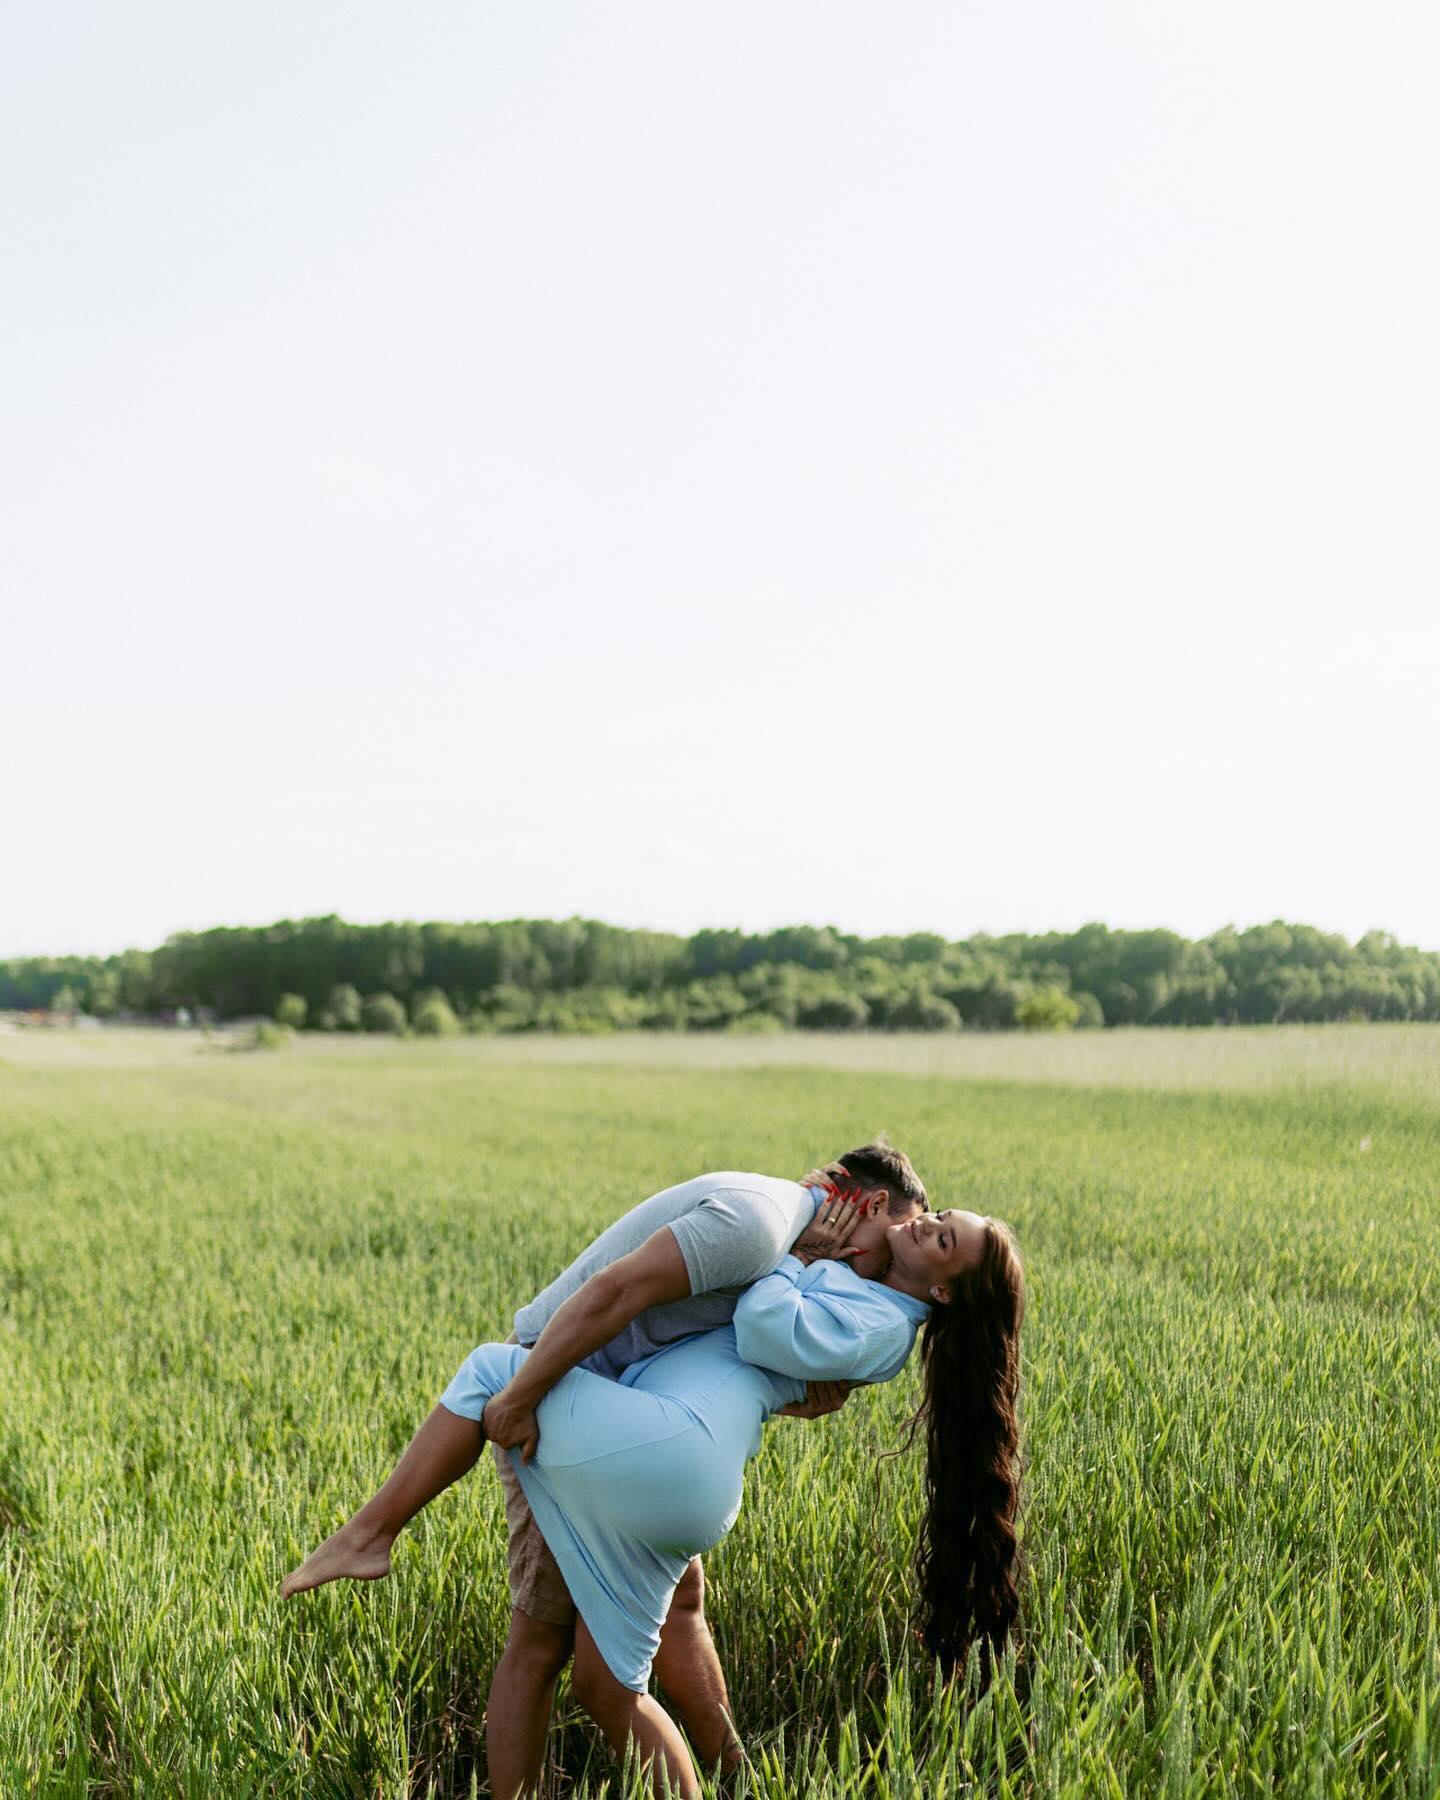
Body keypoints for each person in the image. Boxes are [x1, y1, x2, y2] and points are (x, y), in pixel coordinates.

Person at [281, 1192, 1025, 1800]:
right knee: (608, 1689)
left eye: (942, 1238)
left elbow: (762, 1327)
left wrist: (800, 1260)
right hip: (674, 1459)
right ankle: (728, 1777)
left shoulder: (883, 1323)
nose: (925, 1225)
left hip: (675, 1450)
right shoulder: (868, 1296)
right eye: (936, 1216)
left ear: (942, 1290)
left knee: (488, 1373)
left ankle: (370, 1534)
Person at [476, 1140, 930, 1797]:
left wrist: (804, 1387)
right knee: (543, 1643)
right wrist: (520, 1395)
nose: (882, 1267)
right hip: (564, 1393)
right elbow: (618, 1292)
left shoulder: (797, 1249)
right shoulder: (761, 1228)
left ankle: (736, 1777)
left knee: (681, 1607)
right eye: (895, 1240)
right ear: (871, 1203)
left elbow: (735, 1348)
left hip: (639, 1417)